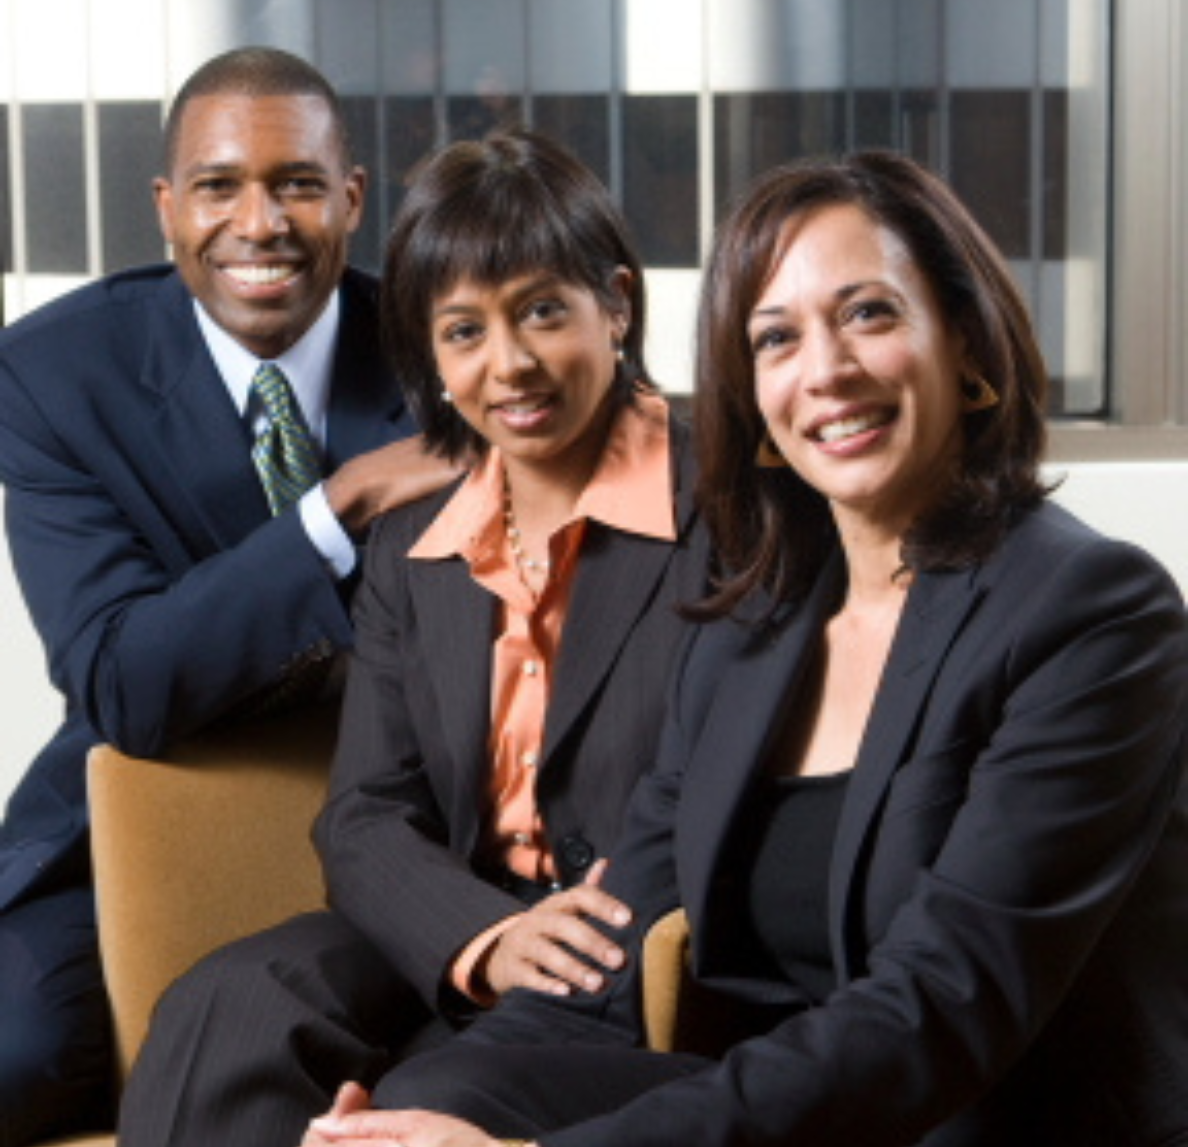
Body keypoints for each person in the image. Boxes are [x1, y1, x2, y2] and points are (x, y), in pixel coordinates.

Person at [302, 151, 1188, 1146]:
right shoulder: (749, 633)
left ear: (969, 346)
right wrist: (414, 1113)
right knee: (435, 1103)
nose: (826, 371)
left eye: (870, 314)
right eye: (777, 338)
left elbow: (938, 1010)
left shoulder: (1093, 613)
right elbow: (609, 956)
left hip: (971, 1116)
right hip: (768, 1115)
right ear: (755, 398)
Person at [115, 127, 709, 1147]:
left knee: (426, 1096)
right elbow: (365, 813)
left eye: (542, 313)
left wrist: (554, 941)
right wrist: (484, 934)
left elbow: (724, 788)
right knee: (229, 1004)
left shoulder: (727, 513)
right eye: (463, 332)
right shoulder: (412, 542)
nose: (508, 365)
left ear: (616, 302)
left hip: (635, 941)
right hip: (460, 916)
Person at [0, 46, 458, 1147]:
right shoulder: (54, 373)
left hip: (423, 824)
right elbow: (121, 680)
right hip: (119, 817)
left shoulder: (450, 351)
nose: (260, 223)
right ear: (167, 208)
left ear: (351, 197)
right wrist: (335, 507)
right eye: (219, 186)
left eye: (297, 183)